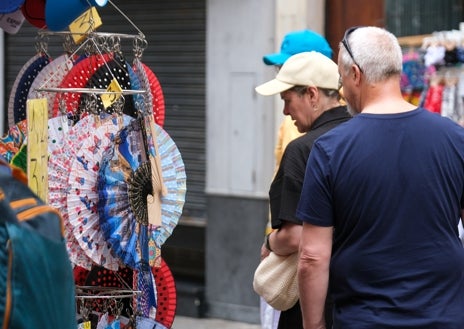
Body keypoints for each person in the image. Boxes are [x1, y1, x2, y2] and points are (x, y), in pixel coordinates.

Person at [296, 26, 464, 329]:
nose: (343, 89)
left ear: (356, 75)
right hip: (445, 317)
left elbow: (312, 256)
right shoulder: (455, 138)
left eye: (342, 79)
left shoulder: (330, 150)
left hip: (364, 319)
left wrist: (314, 326)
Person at [255, 51, 351, 329]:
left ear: (312, 94)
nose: (285, 111)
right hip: (363, 295)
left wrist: (270, 244)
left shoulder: (303, 150)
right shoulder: (363, 137)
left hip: (315, 300)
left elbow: (298, 237)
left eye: (287, 101)